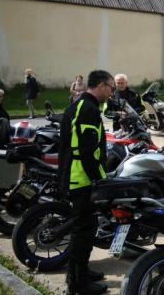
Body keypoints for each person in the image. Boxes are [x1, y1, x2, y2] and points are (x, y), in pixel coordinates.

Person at [57, 70, 113, 295]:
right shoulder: (87, 109)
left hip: (79, 177)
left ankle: (81, 271)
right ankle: (78, 284)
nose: (111, 92)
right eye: (110, 87)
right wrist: (100, 180)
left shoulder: (84, 106)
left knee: (86, 229)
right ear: (100, 85)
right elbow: (87, 151)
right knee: (83, 231)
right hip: (81, 180)